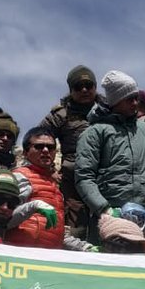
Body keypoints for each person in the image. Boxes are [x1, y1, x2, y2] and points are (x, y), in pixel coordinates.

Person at [75, 70, 145, 245]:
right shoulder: (94, 132)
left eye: (136, 97)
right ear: (115, 101)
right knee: (108, 267)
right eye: (129, 99)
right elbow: (84, 177)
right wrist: (103, 209)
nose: (135, 103)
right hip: (109, 214)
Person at [41, 65, 98, 238]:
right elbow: (38, 138)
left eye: (88, 85)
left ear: (95, 87)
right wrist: (50, 170)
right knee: (76, 227)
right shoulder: (60, 115)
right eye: (78, 87)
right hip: (72, 179)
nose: (84, 90)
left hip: (103, 177)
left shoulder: (108, 111)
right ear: (70, 90)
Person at [9, 127, 66, 250]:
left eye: (50, 147)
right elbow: (4, 219)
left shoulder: (55, 185)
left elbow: (56, 229)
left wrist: (84, 247)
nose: (45, 150)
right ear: (25, 152)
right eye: (39, 147)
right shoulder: (20, 176)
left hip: (47, 259)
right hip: (20, 254)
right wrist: (33, 206)